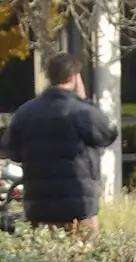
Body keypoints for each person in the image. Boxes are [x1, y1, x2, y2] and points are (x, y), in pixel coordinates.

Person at [1, 52, 117, 231]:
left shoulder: (25, 112)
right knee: (84, 255)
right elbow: (108, 134)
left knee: (46, 256)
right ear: (74, 77)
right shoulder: (82, 111)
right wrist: (84, 101)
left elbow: (12, 151)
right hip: (79, 204)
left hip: (39, 206)